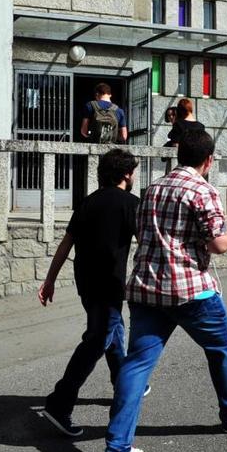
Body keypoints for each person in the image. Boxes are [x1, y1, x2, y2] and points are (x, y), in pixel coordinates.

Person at [104, 129, 227, 452]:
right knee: (221, 347)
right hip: (190, 289)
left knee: (137, 365)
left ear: (179, 156)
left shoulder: (153, 189)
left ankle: (117, 444)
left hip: (147, 288)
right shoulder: (203, 191)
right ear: (209, 159)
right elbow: (219, 244)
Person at [37, 148, 145, 437]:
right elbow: (146, 244)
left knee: (113, 332)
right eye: (132, 172)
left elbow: (65, 244)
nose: (133, 176)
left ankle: (123, 381)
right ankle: (59, 404)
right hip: (109, 285)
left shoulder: (87, 202)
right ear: (126, 174)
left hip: (85, 283)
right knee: (97, 340)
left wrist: (49, 280)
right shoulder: (130, 204)